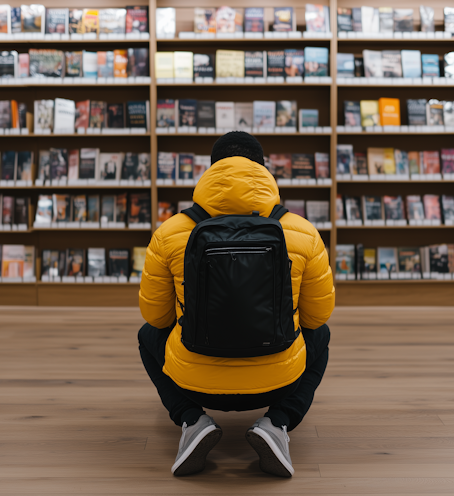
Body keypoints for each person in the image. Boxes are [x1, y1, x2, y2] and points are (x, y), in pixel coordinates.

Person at [138, 132, 335, 477]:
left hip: (193, 381)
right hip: (279, 380)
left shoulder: (169, 233)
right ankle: (277, 422)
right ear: (264, 170)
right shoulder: (302, 232)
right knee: (323, 336)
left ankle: (192, 420)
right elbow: (318, 317)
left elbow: (156, 317)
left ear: (211, 171)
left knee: (146, 335)